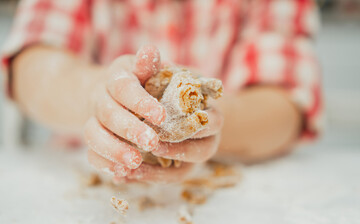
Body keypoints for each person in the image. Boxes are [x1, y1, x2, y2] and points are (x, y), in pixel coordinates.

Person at [1, 0, 323, 182]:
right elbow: (32, 68)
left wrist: (209, 123)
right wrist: (95, 93)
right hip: (82, 177)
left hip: (227, 188)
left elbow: (285, 106)